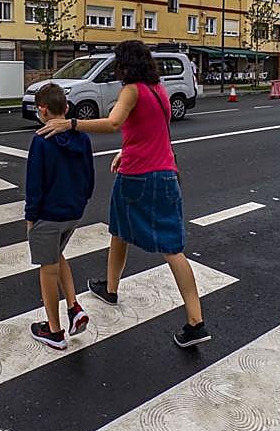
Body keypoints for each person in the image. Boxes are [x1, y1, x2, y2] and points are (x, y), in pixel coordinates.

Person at [37, 40, 211, 348]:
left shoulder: (131, 90)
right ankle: (114, 288)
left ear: (125, 63)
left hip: (139, 178)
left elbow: (114, 122)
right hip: (166, 173)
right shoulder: (159, 90)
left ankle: (195, 322)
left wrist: (71, 124)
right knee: (126, 232)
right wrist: (124, 150)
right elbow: (150, 131)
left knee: (155, 243)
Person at [25, 83, 94, 350]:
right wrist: (81, 201)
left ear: (42, 110)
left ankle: (53, 331)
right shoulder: (82, 137)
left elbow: (35, 184)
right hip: (73, 212)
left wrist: (31, 217)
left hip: (48, 214)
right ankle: (74, 307)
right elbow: (89, 177)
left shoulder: (41, 140)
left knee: (47, 268)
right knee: (57, 254)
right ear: (66, 108)